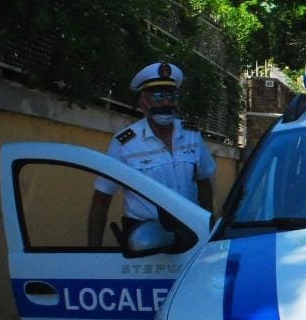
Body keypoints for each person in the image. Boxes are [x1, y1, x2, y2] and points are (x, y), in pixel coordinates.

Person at [88, 62, 217, 247]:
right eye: (158, 96)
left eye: (171, 96)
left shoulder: (192, 136)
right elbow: (102, 198)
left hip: (191, 237)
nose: (166, 102)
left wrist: (207, 229)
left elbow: (204, 181)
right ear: (143, 102)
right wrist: (94, 252)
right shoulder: (125, 143)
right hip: (146, 241)